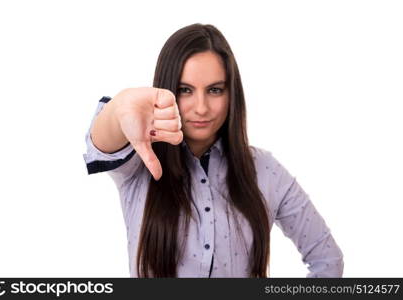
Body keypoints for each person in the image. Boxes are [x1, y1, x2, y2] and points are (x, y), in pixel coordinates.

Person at [83, 23, 344, 278]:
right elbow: (102, 144)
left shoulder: (266, 170)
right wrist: (119, 109)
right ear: (166, 90)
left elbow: (327, 260)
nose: (201, 108)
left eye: (215, 90)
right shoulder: (140, 161)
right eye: (185, 90)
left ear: (232, 94)